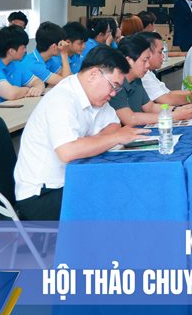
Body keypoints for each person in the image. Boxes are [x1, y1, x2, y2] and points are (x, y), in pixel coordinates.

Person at [12, 46, 148, 220]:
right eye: (113, 85)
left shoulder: (96, 97)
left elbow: (113, 124)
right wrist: (114, 138)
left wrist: (87, 143)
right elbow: (68, 152)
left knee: (129, 188)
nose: (113, 93)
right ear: (94, 75)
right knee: (118, 202)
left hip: (73, 179)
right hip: (43, 194)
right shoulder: (62, 98)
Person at [109, 35, 192, 126]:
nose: (148, 65)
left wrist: (178, 110)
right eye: (144, 61)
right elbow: (130, 119)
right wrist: (174, 116)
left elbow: (150, 107)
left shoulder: (137, 80)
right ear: (128, 61)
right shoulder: (116, 84)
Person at [0, 27, 41, 106]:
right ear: (11, 51)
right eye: (23, 48)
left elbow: (38, 82)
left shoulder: (15, 63)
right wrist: (29, 90)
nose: (25, 51)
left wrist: (37, 89)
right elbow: (11, 94)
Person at [138, 32, 192, 107]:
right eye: (160, 52)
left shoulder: (149, 72)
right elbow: (166, 99)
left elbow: (169, 93)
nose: (163, 56)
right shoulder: (143, 75)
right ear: (148, 53)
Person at [13, 22, 70, 89]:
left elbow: (69, 77)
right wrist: (64, 53)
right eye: (62, 44)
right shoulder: (34, 64)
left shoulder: (48, 59)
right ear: (54, 46)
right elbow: (65, 82)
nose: (64, 46)